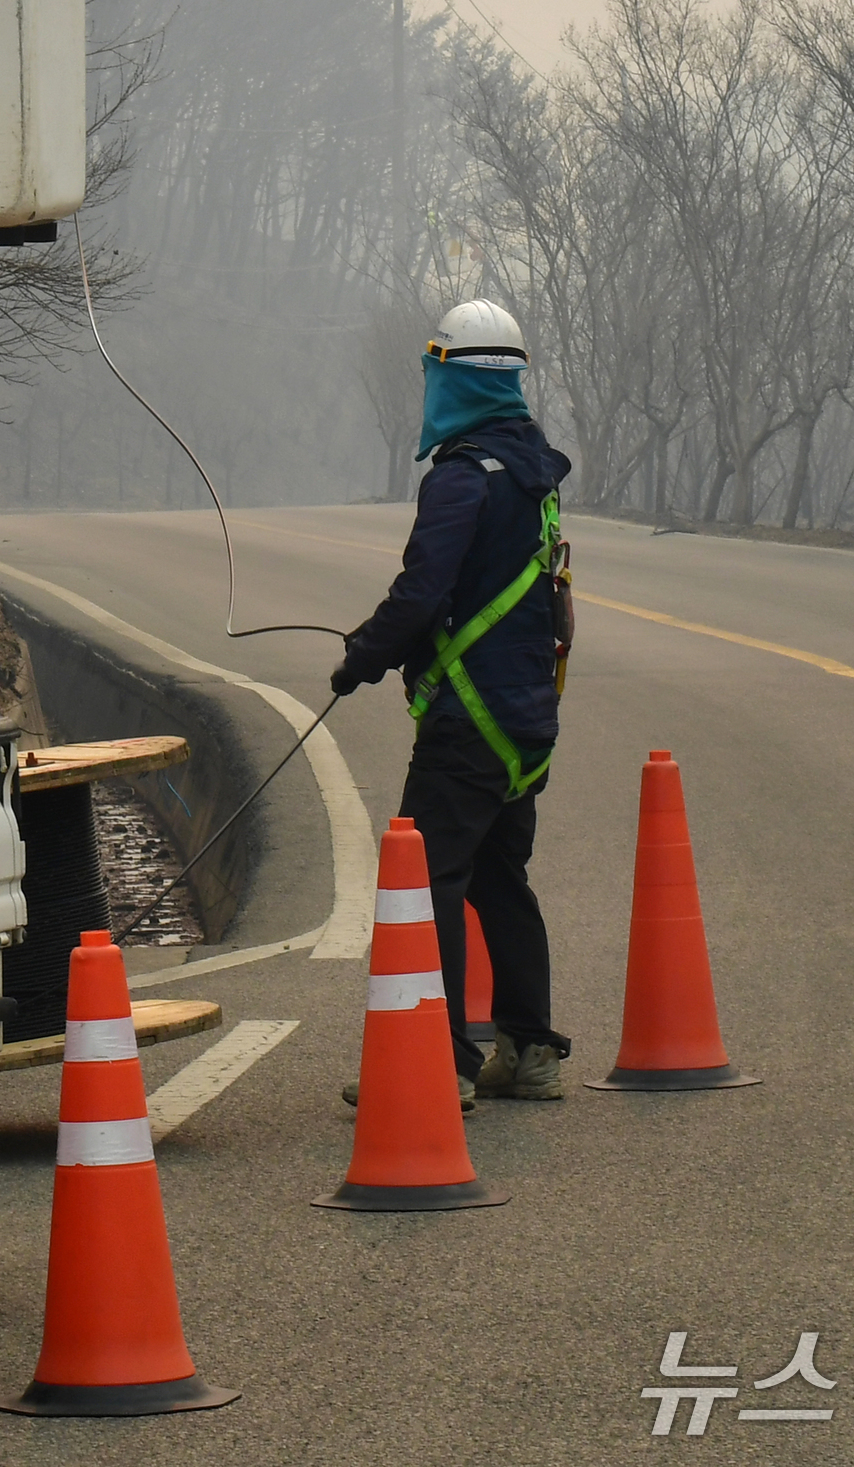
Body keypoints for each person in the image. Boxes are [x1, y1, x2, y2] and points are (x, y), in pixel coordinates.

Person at [331, 299, 573, 1107]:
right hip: (527, 722)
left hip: (468, 723)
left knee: (426, 881)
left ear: (449, 378)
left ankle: (434, 1061)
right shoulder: (535, 471)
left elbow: (421, 593)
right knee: (500, 878)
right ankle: (529, 1052)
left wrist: (361, 658)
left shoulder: (462, 478)